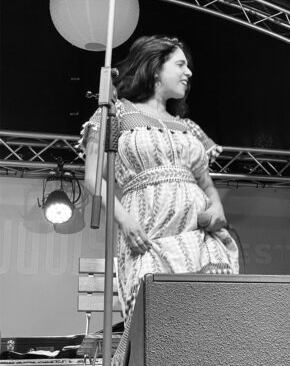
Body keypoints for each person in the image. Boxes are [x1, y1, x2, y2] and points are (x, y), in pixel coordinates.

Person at [79, 35, 238, 365]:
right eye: (180, 64)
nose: (189, 72)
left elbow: (206, 185)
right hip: (148, 236)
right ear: (154, 69)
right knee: (158, 322)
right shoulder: (116, 113)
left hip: (201, 238)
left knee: (207, 328)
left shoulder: (188, 127)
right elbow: (95, 177)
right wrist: (123, 218)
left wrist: (217, 206)